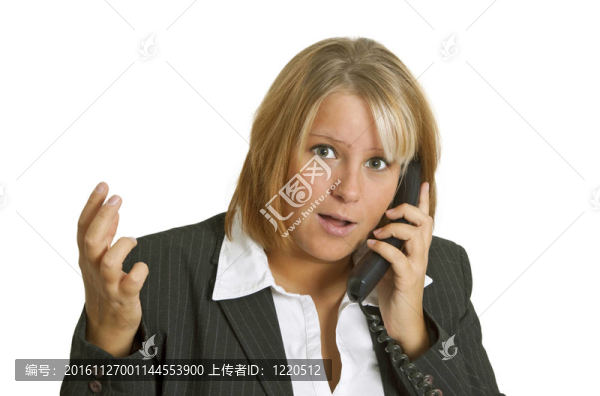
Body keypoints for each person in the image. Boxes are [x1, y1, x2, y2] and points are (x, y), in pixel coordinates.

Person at [60, 36, 505, 396]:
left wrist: (415, 336)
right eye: (324, 152)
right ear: (274, 148)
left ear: (407, 181)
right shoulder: (153, 278)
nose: (348, 190)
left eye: (378, 162)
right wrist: (110, 340)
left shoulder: (440, 275)